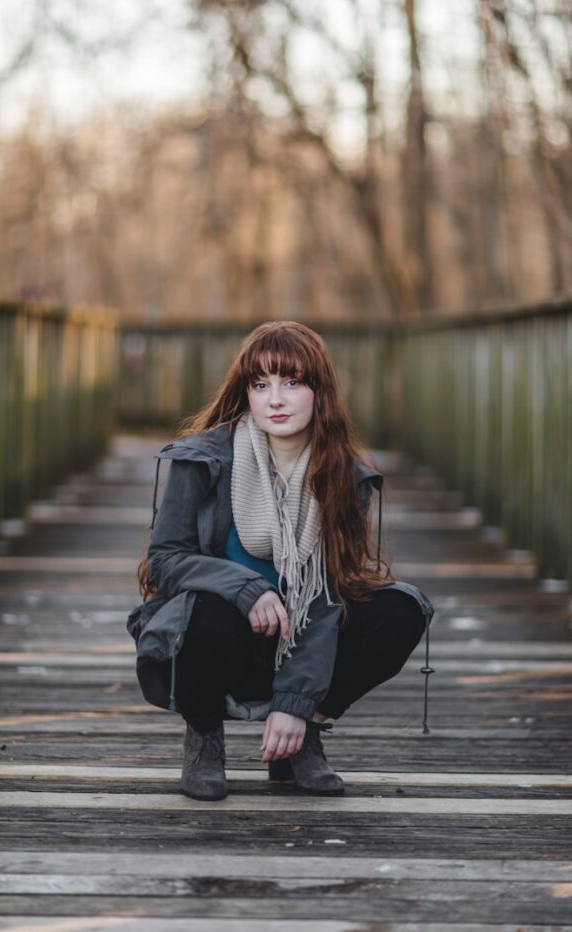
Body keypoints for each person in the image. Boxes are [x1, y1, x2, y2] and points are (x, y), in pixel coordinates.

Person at [127, 321, 433, 801]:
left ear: (319, 392)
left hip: (302, 642)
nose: (276, 399)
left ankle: (302, 736)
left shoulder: (341, 478)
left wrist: (296, 703)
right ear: (245, 393)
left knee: (401, 609)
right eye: (261, 384)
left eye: (292, 383)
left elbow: (328, 595)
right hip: (214, 645)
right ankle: (204, 736)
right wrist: (247, 588)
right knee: (207, 608)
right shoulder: (203, 459)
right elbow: (165, 560)